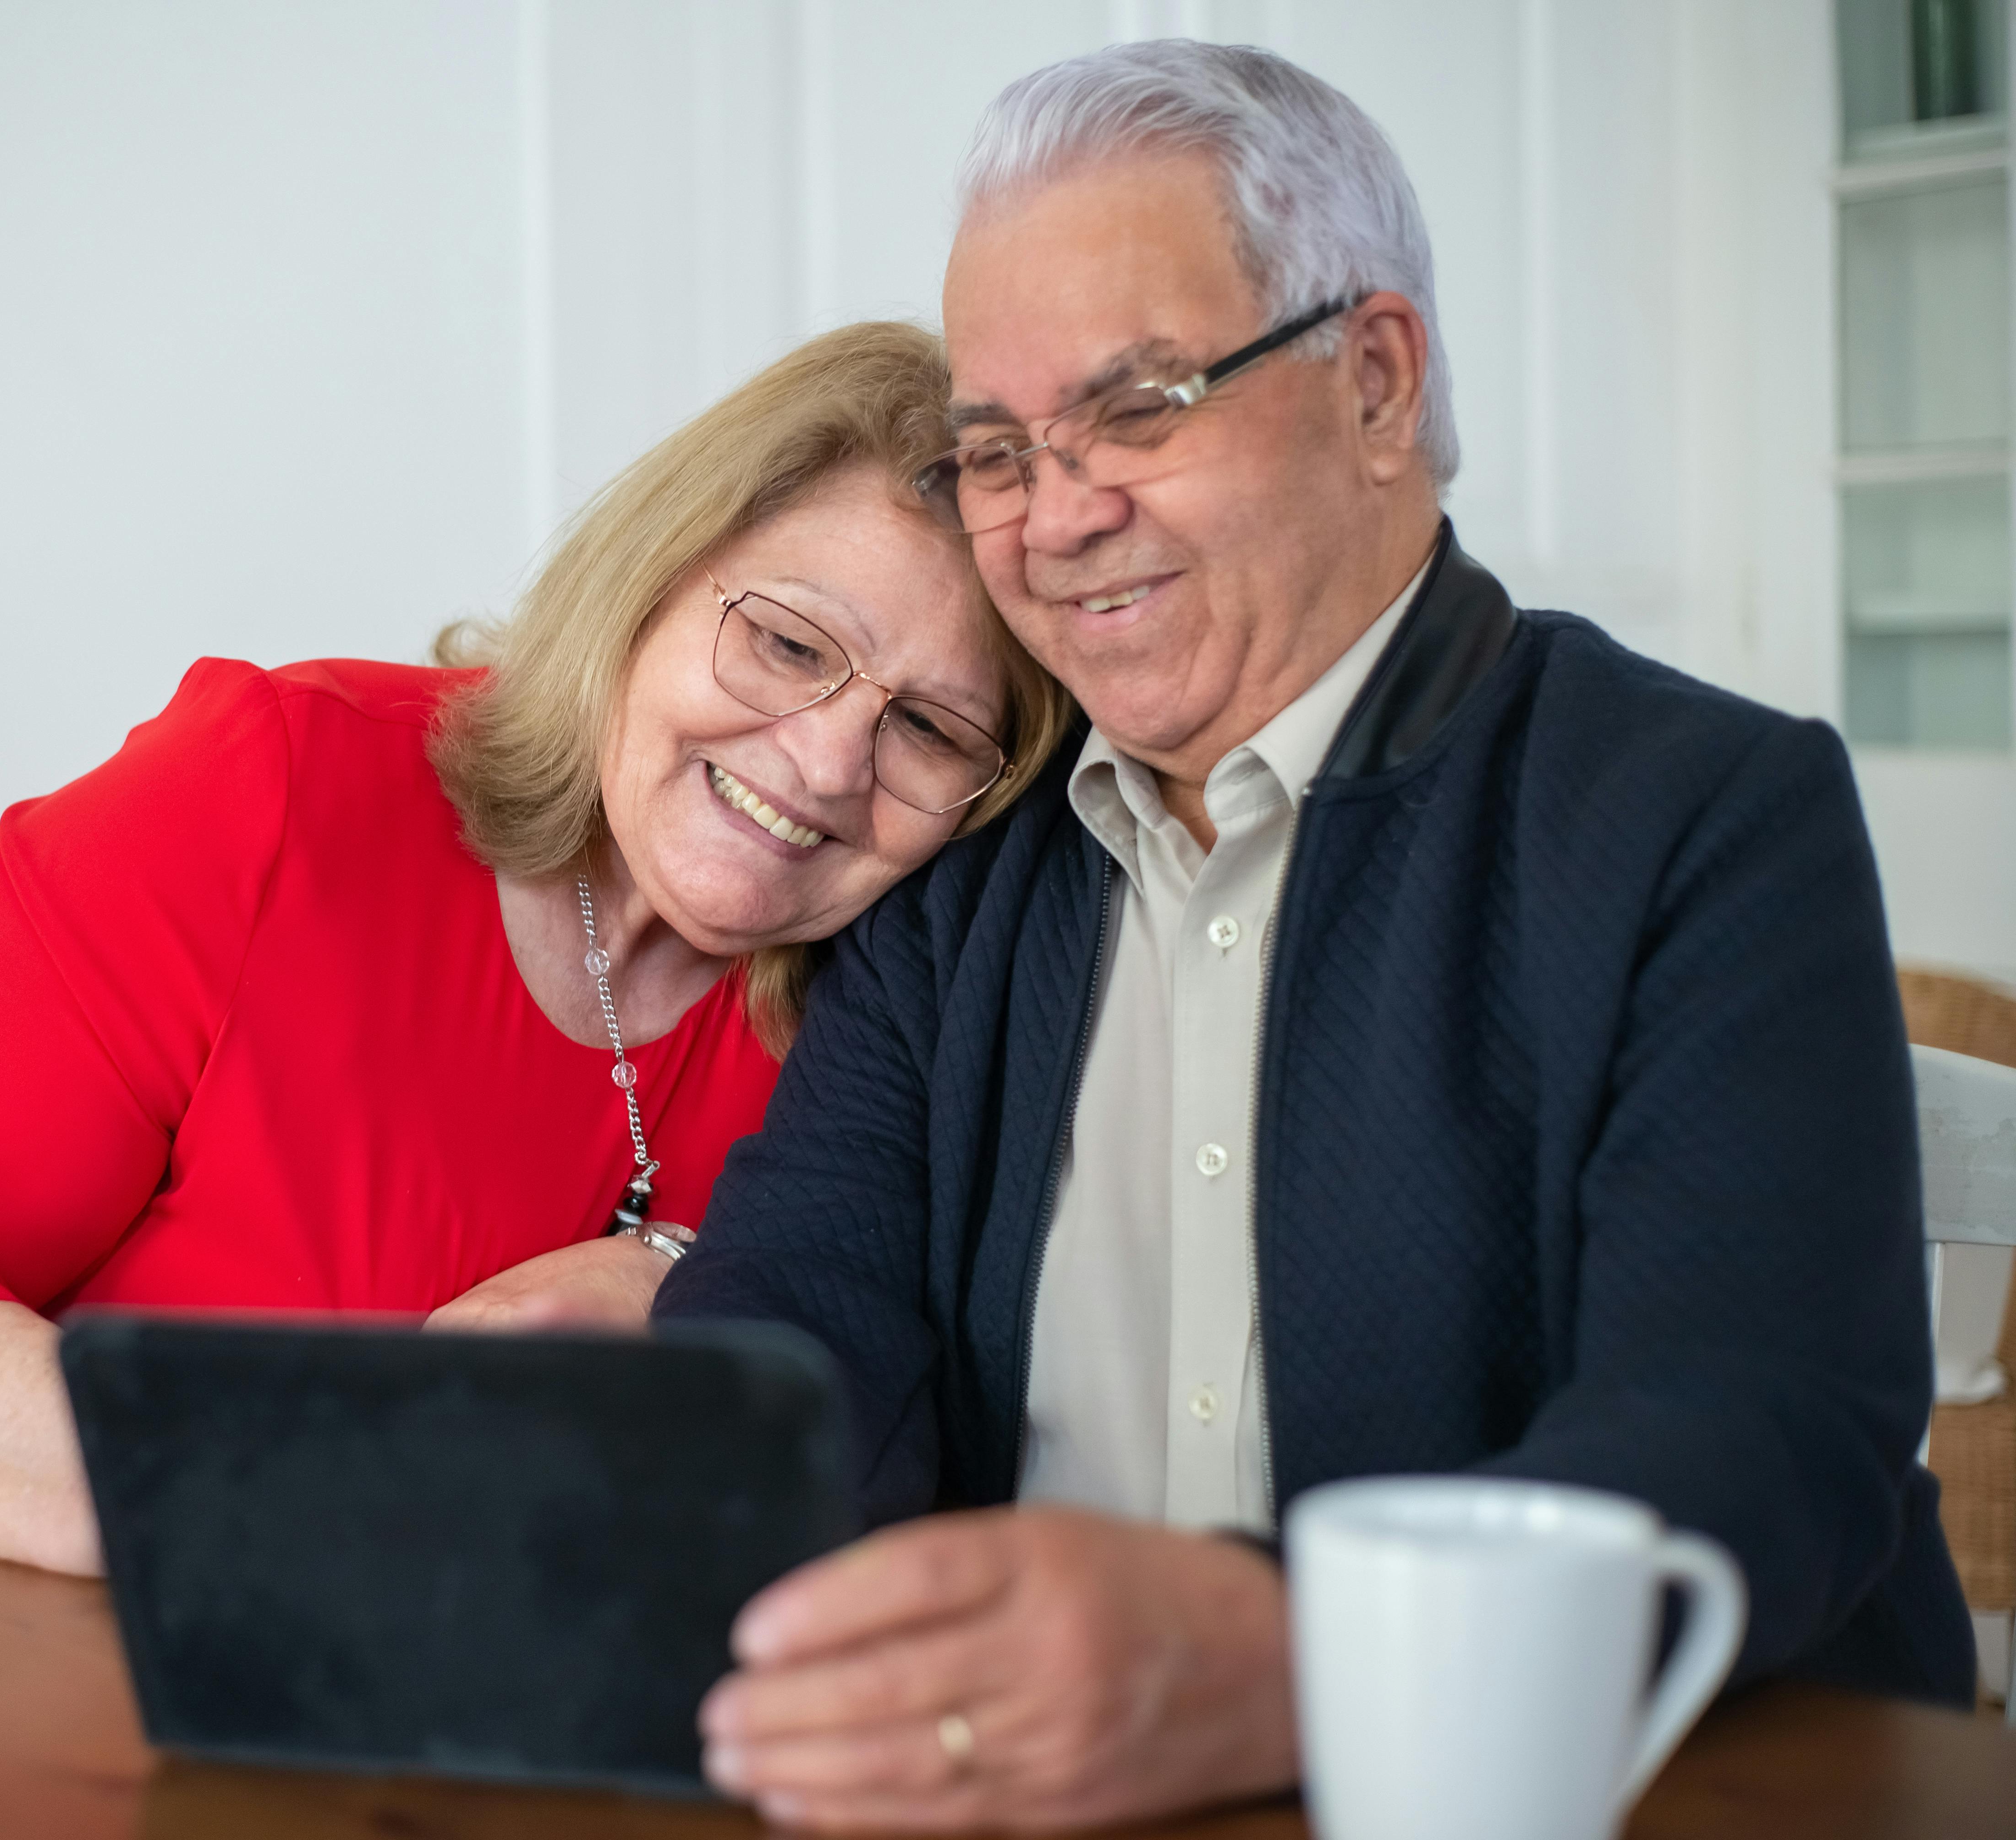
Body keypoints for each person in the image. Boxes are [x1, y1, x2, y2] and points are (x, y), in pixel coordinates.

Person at [659, 42, 1975, 1835]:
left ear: (1370, 380)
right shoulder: (961, 852)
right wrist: (639, 1497)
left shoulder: (1704, 810)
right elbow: (789, 1328)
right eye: (993, 450)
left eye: (1138, 407)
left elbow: (1755, 1434)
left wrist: (1280, 1650)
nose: (1053, 517)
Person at [0, 322, 1072, 1576]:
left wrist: (674, 1270)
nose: (829, 761)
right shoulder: (280, 793)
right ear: (651, 582)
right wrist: (273, 1510)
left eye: (935, 731)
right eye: (784, 643)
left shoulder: (906, 1012)